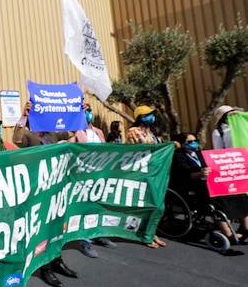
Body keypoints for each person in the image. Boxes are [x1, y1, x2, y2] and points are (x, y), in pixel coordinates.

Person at [9, 102, 79, 287]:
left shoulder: (53, 132)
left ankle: (58, 261)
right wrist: (23, 117)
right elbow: (16, 141)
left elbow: (72, 132)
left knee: (57, 225)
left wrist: (75, 110)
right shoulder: (28, 134)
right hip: (40, 189)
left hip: (57, 186)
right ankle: (45, 268)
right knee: (43, 228)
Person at [171, 132, 248, 242]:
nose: (193, 143)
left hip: (210, 182)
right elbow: (187, 175)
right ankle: (228, 233)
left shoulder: (200, 153)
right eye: (189, 142)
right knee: (219, 200)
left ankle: (245, 228)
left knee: (239, 194)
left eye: (195, 141)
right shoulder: (179, 156)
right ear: (182, 143)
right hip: (194, 187)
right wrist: (201, 173)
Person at [67, 103, 118, 258]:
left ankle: (99, 234)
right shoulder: (75, 131)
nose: (88, 113)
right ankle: (85, 240)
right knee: (83, 209)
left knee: (97, 206)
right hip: (82, 176)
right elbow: (69, 147)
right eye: (84, 111)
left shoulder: (98, 132)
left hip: (99, 175)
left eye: (89, 110)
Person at [126, 105, 167, 248]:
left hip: (158, 173)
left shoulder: (154, 133)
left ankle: (151, 233)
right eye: (148, 114)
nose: (152, 117)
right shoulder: (133, 131)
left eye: (152, 114)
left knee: (158, 206)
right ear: (140, 117)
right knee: (150, 204)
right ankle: (145, 235)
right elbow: (134, 151)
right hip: (144, 172)